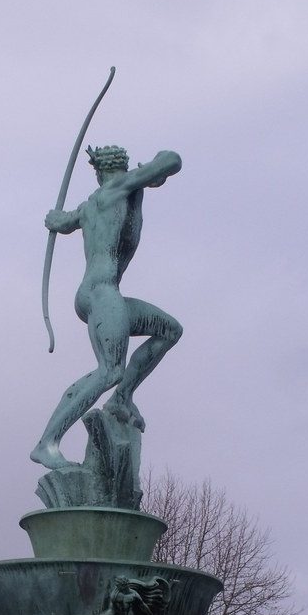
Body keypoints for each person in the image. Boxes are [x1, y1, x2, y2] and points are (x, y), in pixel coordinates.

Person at [30, 144, 183, 469]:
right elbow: (171, 161)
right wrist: (153, 166)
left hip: (105, 293)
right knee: (110, 369)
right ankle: (47, 442)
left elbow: (62, 220)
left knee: (169, 330)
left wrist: (56, 220)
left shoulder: (90, 206)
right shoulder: (117, 187)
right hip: (100, 293)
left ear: (98, 171)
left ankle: (122, 397)